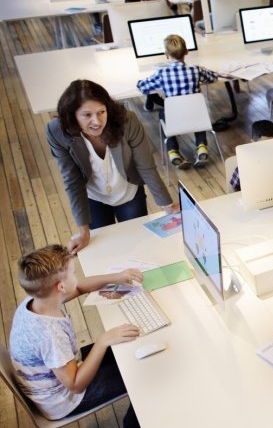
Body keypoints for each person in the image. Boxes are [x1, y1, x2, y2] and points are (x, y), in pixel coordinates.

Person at [8, 245, 143, 426]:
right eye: (73, 273)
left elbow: (79, 288)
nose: (76, 277)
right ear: (61, 286)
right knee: (143, 374)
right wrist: (103, 341)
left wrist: (117, 277)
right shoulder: (49, 334)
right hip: (66, 400)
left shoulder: (38, 300)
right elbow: (76, 384)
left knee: (131, 348)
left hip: (63, 371)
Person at [47, 80, 177, 254]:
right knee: (104, 250)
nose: (97, 121)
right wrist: (83, 232)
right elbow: (72, 180)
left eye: (101, 112)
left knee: (138, 245)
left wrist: (167, 205)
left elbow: (146, 167)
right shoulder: (56, 131)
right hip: (93, 196)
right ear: (72, 115)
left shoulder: (127, 120)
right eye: (87, 115)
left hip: (129, 192)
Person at [137, 34, 224, 168]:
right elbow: (213, 78)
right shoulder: (195, 70)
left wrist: (139, 82)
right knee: (196, 109)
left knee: (163, 113)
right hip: (197, 118)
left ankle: (173, 151)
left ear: (166, 55)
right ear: (187, 52)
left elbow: (143, 87)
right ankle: (201, 146)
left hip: (174, 120)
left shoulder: (162, 73)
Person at [229, 120, 273, 192]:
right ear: (252, 143)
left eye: (272, 145)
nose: (267, 150)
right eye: (263, 146)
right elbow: (234, 187)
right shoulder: (244, 165)